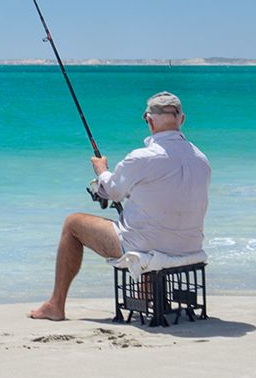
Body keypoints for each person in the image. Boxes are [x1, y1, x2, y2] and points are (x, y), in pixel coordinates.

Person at [29, 92, 210, 321]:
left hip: (147, 245)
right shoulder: (201, 159)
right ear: (182, 120)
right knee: (144, 223)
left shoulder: (141, 158)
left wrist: (101, 170)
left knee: (73, 223)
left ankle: (55, 305)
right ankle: (146, 295)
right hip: (189, 246)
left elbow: (112, 191)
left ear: (149, 120)